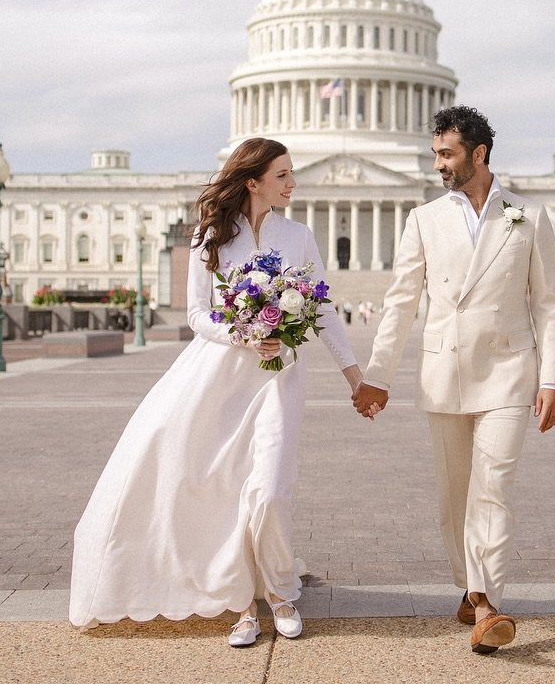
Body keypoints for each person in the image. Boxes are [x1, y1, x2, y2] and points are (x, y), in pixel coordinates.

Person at [69, 138, 365, 646]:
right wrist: (243, 333)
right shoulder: (210, 237)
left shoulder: (298, 236)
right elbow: (196, 315)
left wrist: (356, 379)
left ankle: (280, 592)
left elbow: (325, 309)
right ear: (253, 182)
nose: (293, 184)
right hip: (219, 375)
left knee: (270, 489)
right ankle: (242, 603)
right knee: (223, 490)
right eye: (283, 176)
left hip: (279, 375)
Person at [352, 106, 555, 655]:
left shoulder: (528, 216)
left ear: (479, 154)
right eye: (435, 155)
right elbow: (400, 303)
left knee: (494, 487)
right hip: (444, 370)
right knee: (454, 498)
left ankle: (488, 603)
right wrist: (377, 376)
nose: (438, 165)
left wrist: (554, 379)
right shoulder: (424, 218)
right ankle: (469, 589)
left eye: (446, 154)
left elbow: (548, 306)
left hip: (508, 370)